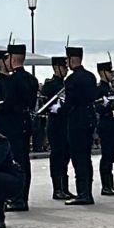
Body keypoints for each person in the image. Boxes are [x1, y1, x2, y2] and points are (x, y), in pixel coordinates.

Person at [0, 44, 39, 211]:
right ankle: (23, 196)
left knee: (15, 163)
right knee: (24, 162)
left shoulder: (12, 80)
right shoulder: (31, 79)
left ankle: (16, 198)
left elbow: (8, 103)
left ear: (11, 58)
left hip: (11, 125)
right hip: (25, 123)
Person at [62, 44, 98, 206]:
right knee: (86, 157)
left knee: (78, 158)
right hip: (89, 119)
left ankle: (82, 193)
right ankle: (87, 191)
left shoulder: (71, 80)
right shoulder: (90, 77)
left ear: (72, 59)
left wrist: (60, 108)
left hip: (76, 121)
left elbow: (69, 103)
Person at [43, 57, 74, 200]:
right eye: (64, 67)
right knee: (57, 156)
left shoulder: (67, 84)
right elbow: (45, 103)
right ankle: (57, 188)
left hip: (66, 123)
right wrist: (53, 108)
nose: (66, 70)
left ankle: (65, 187)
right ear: (56, 68)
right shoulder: (50, 85)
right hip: (55, 124)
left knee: (66, 156)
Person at [94, 61, 114, 196]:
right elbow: (99, 108)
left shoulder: (112, 89)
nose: (112, 74)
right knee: (106, 155)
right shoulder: (99, 89)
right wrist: (110, 107)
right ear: (102, 73)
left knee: (112, 155)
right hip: (105, 125)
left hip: (113, 124)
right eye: (109, 71)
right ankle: (106, 186)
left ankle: (110, 184)